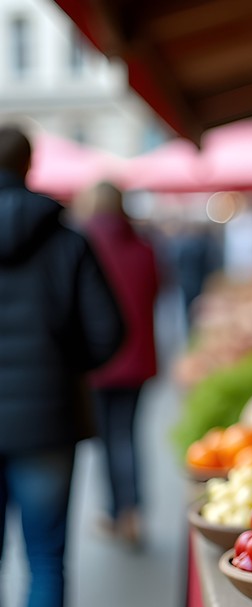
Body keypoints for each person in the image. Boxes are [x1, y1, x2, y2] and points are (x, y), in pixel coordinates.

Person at [0, 126, 123, 607]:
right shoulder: (67, 241)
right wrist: (59, 364)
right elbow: (109, 332)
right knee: (46, 560)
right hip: (46, 420)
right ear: (30, 165)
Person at [77, 181, 159, 547]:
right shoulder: (143, 246)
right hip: (137, 358)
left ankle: (117, 511)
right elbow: (158, 289)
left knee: (107, 439)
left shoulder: (82, 245)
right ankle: (131, 511)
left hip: (95, 363)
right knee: (127, 434)